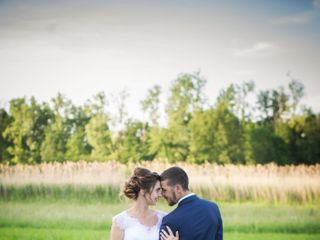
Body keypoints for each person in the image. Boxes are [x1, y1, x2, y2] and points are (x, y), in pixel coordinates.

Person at [111, 167, 178, 240]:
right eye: (157, 190)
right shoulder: (120, 221)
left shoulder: (163, 218)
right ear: (143, 191)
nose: (160, 194)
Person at [159, 166, 223, 240]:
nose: (162, 194)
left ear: (177, 189)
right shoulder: (213, 208)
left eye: (164, 190)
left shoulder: (170, 221)